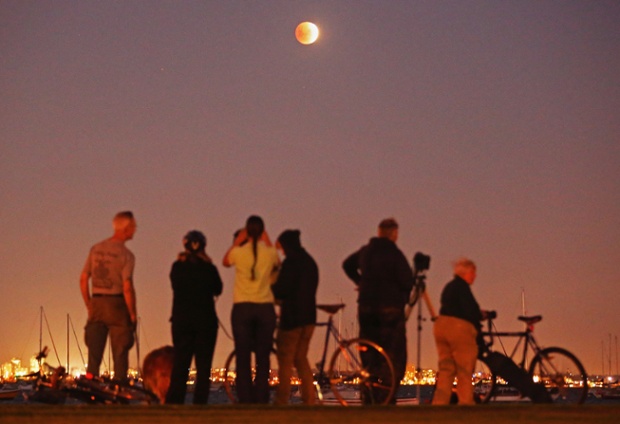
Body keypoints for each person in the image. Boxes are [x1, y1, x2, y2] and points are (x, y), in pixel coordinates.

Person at [342, 218, 415, 404]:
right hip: (390, 309)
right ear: (394, 234)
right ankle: (387, 395)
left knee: (369, 352)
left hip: (366, 307)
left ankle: (370, 395)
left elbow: (347, 265)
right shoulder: (395, 254)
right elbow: (407, 280)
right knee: (393, 354)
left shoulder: (367, 251)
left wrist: (361, 283)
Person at [222, 215, 280, 403]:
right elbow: (277, 263)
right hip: (265, 308)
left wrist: (238, 241)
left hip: (242, 307)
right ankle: (262, 396)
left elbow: (225, 261)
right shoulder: (269, 253)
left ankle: (245, 397)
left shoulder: (239, 253)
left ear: (246, 232)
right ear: (262, 231)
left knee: (242, 354)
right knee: (263, 356)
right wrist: (267, 238)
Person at [166, 230, 223, 404]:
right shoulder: (209, 268)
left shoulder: (177, 267)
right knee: (203, 366)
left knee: (181, 365)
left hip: (182, 321)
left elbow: (175, 285)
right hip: (205, 322)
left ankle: (174, 401)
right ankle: (200, 403)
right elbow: (218, 289)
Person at [80, 211, 137, 381]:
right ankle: (119, 387)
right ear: (126, 228)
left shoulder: (96, 249)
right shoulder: (127, 255)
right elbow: (127, 286)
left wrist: (89, 304)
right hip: (117, 304)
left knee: (94, 353)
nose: (135, 230)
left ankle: (90, 385)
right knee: (120, 352)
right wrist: (132, 313)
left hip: (97, 301)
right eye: (133, 226)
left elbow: (83, 279)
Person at [271, 230, 319, 405]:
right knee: (301, 359)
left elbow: (282, 289)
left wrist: (271, 287)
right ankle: (309, 399)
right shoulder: (310, 262)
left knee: (285, 361)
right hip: (309, 318)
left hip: (292, 319)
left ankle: (282, 400)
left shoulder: (291, 263)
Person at [431, 257, 482, 405]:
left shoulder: (449, 287)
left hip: (441, 326)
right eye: (473, 272)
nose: (475, 276)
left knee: (446, 369)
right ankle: (466, 402)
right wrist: (479, 316)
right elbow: (470, 310)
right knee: (464, 369)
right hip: (459, 328)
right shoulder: (463, 288)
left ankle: (440, 403)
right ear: (466, 273)